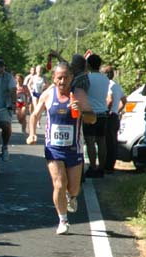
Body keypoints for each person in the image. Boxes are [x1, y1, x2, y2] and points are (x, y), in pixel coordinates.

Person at [27, 62, 95, 235]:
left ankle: (70, 197)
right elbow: (34, 116)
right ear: (54, 78)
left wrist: (81, 112)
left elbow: (92, 118)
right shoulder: (48, 94)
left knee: (73, 188)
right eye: (59, 77)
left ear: (72, 78)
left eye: (66, 77)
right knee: (59, 183)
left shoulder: (78, 94)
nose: (62, 81)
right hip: (54, 148)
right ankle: (63, 220)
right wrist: (32, 134)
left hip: (74, 148)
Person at [83, 54, 110, 178]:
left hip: (90, 113)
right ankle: (101, 168)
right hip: (103, 113)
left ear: (88, 64)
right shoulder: (105, 79)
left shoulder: (87, 77)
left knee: (90, 141)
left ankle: (93, 167)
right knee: (101, 141)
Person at [103, 65, 126, 173]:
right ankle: (111, 165)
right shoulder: (117, 85)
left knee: (107, 142)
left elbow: (109, 99)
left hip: (109, 116)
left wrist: (106, 111)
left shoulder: (107, 85)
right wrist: (117, 110)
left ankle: (106, 166)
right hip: (115, 116)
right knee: (113, 142)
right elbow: (124, 100)